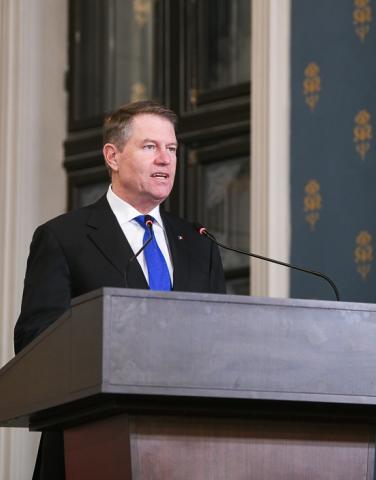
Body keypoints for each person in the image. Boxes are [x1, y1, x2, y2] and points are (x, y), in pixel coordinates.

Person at [14, 100, 226, 479]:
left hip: (187, 447)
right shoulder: (64, 238)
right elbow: (36, 342)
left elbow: (220, 343)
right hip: (90, 442)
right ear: (112, 156)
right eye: (150, 146)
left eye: (172, 148)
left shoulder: (199, 243)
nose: (165, 159)